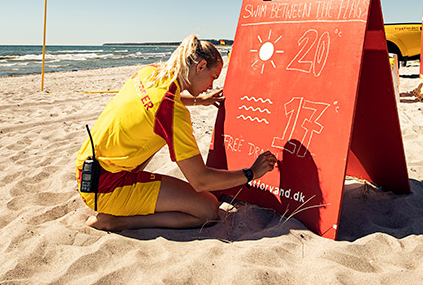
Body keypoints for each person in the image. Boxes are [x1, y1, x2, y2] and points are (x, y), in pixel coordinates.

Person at [75, 35, 278, 231]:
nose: (212, 85)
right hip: (106, 188)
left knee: (152, 133)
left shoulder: (149, 72)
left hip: (87, 168)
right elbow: (200, 181)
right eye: (212, 77)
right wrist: (251, 173)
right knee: (207, 208)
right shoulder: (172, 112)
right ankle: (116, 222)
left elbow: (160, 100)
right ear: (200, 66)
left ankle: (119, 208)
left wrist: (200, 100)